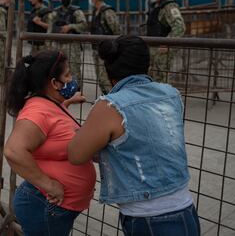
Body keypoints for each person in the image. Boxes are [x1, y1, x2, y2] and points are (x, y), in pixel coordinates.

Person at [68, 36, 200, 236]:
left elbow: (76, 154)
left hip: (148, 218)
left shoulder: (110, 106)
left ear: (108, 70)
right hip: (186, 209)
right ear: (147, 64)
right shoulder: (171, 94)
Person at [4, 50, 96, 236]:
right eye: (68, 74)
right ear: (54, 83)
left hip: (51, 205)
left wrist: (68, 102)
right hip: (44, 204)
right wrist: (49, 185)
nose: (72, 78)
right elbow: (14, 151)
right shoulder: (37, 112)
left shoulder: (50, 101)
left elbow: (53, 124)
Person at [146, 0, 186, 82]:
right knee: (153, 76)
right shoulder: (157, 5)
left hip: (162, 49)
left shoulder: (169, 6)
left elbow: (180, 27)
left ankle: (165, 96)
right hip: (154, 47)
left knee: (162, 78)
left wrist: (167, 42)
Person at [48, 0, 87, 83]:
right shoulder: (55, 12)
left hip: (72, 45)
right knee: (57, 68)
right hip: (57, 44)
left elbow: (84, 25)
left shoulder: (77, 11)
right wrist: (48, 44)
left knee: (74, 70)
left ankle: (76, 91)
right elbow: (50, 29)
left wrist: (70, 27)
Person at [87, 0, 121, 94]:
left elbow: (117, 29)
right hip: (96, 48)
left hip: (107, 49)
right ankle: (105, 95)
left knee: (106, 76)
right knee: (100, 77)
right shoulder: (95, 11)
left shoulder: (107, 11)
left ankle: (111, 97)